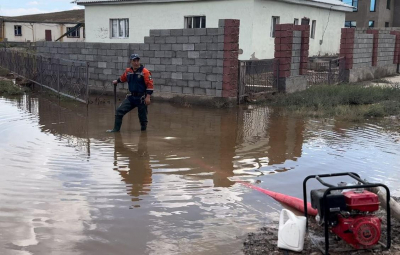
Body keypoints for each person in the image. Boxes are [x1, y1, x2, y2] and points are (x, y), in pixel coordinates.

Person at [106, 54, 154, 132]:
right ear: (131, 62)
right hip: (131, 97)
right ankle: (115, 130)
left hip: (141, 98)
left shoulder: (145, 72)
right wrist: (117, 81)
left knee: (143, 118)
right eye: (134, 61)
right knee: (119, 111)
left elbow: (150, 85)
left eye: (137, 61)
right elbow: (123, 78)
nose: (136, 63)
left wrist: (148, 97)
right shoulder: (128, 71)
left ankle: (143, 133)